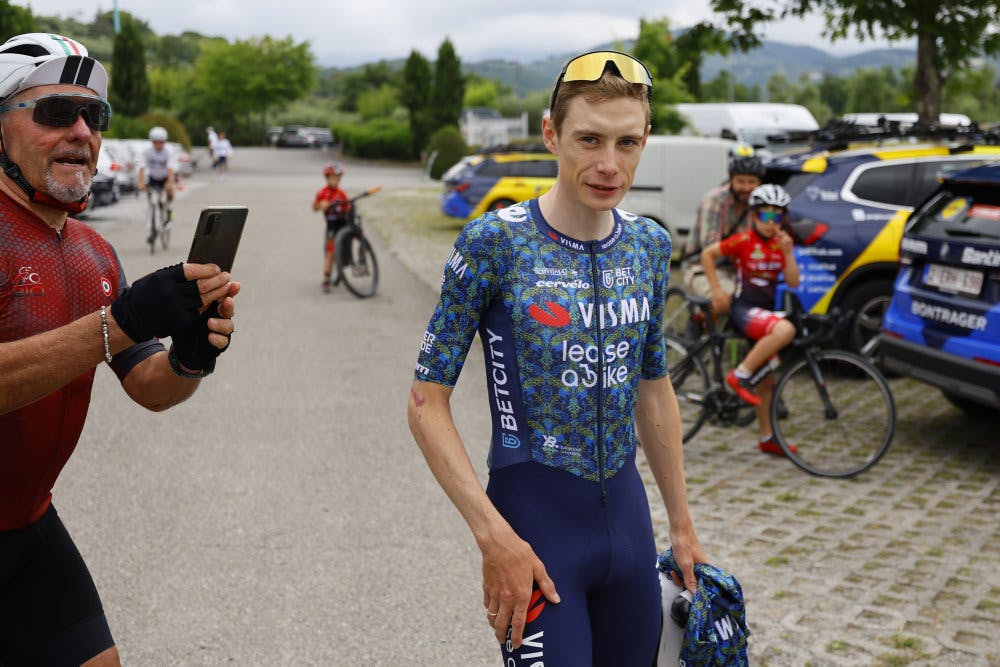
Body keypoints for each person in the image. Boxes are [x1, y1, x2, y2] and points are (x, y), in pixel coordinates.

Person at [407, 50, 707, 665]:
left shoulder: (649, 245)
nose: (608, 164)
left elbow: (654, 389)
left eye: (627, 143)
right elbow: (424, 402)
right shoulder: (496, 242)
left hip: (628, 526)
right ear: (551, 134)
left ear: (645, 139)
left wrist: (680, 523)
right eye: (589, 140)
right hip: (534, 534)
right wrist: (493, 536)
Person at [0, 33, 240, 666]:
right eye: (55, 113)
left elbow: (149, 387)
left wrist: (191, 355)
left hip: (28, 524)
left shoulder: (95, 252)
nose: (81, 130)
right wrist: (119, 323)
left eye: (94, 116)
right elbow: (110, 333)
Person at [700, 183, 801, 455]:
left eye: (777, 216)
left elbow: (793, 281)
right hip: (744, 309)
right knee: (785, 330)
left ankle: (767, 437)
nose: (771, 222)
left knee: (767, 382)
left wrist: (789, 253)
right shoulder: (744, 240)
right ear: (754, 215)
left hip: (765, 311)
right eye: (765, 216)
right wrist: (717, 290)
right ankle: (739, 375)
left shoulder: (781, 244)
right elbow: (708, 255)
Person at [680, 145, 766, 314]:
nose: (746, 187)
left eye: (752, 182)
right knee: (727, 298)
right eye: (741, 181)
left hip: (736, 270)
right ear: (731, 180)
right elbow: (710, 247)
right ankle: (701, 331)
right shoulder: (715, 200)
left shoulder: (759, 204)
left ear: (759, 183)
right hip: (701, 267)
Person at [312, 161, 350, 293]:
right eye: (333, 178)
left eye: (338, 178)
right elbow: (314, 207)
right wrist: (321, 205)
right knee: (330, 251)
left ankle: (344, 267)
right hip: (332, 226)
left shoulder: (341, 193)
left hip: (343, 224)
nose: (336, 181)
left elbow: (347, 208)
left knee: (346, 246)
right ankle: (326, 278)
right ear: (327, 178)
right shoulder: (322, 192)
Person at [137, 125, 178, 243]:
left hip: (165, 177)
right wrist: (140, 182)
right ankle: (153, 227)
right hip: (153, 178)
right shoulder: (147, 151)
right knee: (152, 200)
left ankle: (169, 210)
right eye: (156, 142)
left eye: (161, 142)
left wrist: (170, 182)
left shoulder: (169, 151)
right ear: (152, 141)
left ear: (164, 142)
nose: (158, 144)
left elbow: (171, 168)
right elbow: (142, 167)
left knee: (170, 193)